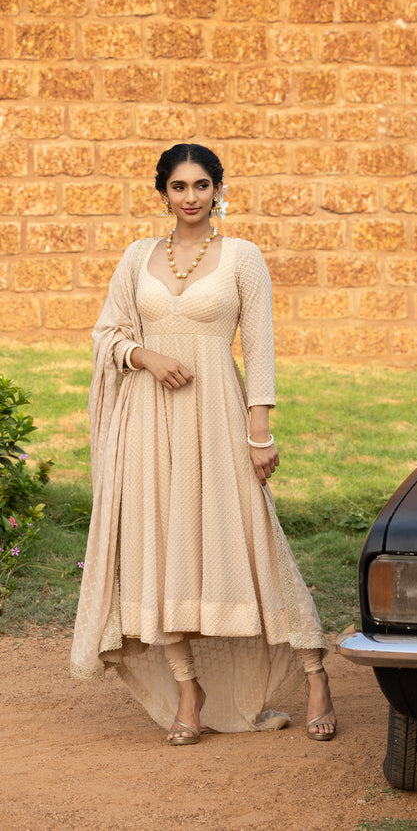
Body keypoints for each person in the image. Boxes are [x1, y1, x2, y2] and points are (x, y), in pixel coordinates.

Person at [70, 143, 336, 746]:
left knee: (253, 541)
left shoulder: (243, 257)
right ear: (161, 193)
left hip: (218, 416)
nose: (190, 196)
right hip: (149, 423)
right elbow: (107, 333)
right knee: (158, 547)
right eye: (178, 186)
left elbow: (260, 348)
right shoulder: (138, 258)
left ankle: (315, 672)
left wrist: (259, 432)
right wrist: (146, 355)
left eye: (200, 185)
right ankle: (188, 690)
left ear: (219, 189)